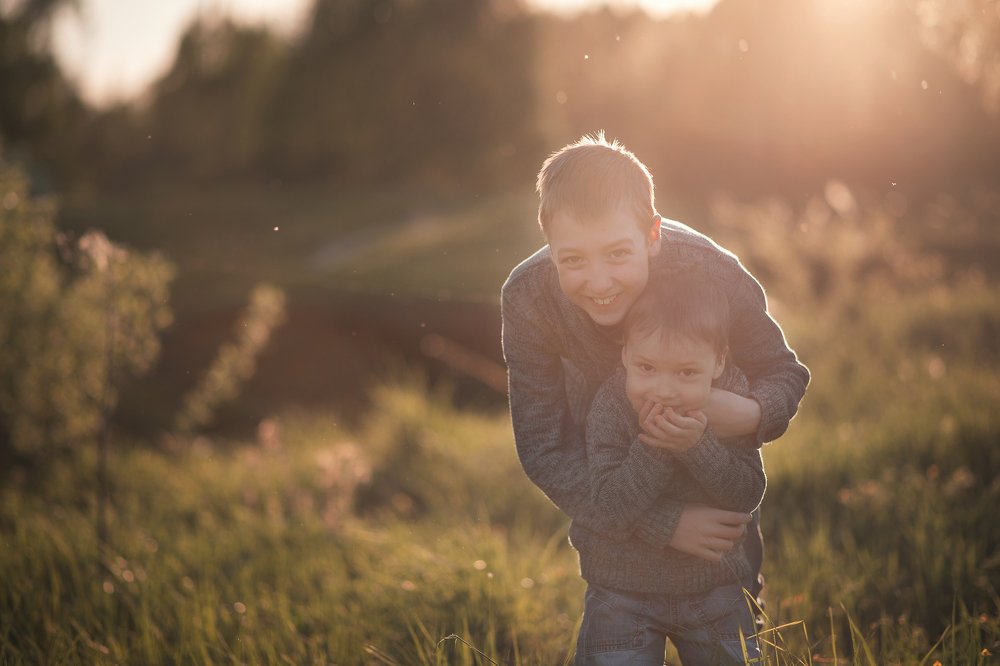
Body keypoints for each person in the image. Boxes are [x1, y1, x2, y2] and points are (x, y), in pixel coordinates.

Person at [499, 131, 809, 644]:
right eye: (572, 260)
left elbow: (784, 371)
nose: (598, 283)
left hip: (718, 523)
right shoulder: (529, 297)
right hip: (614, 527)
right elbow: (543, 446)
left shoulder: (713, 274)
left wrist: (751, 414)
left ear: (652, 235)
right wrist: (662, 524)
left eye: (618, 254)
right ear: (548, 245)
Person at [576, 267, 765, 664]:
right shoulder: (611, 407)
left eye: (686, 372)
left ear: (717, 363)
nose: (664, 389)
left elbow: (747, 493)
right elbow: (608, 508)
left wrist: (699, 447)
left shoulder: (730, 397)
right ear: (626, 353)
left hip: (715, 591)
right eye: (646, 368)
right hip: (621, 593)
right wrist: (659, 447)